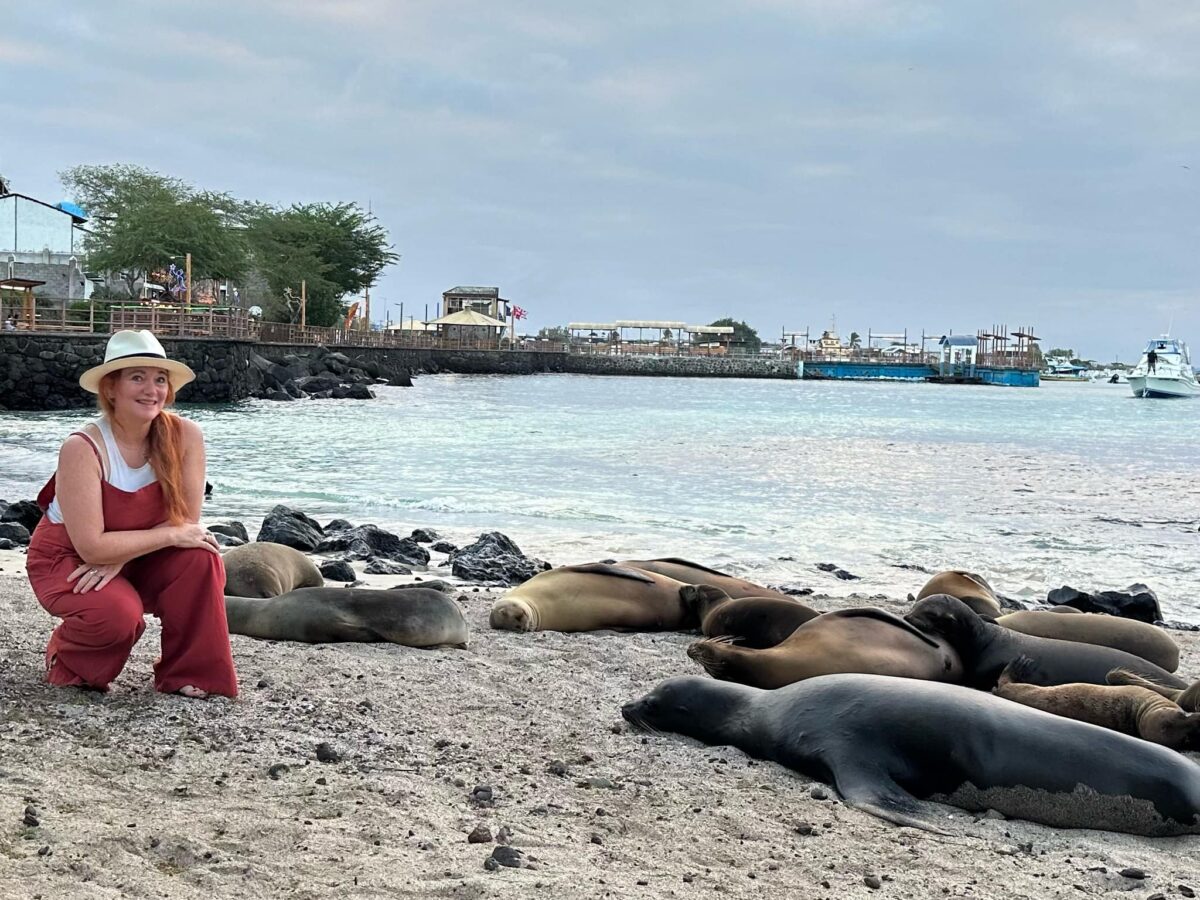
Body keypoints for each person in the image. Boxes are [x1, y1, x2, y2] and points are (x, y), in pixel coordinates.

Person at [25, 330, 238, 698]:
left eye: (159, 379)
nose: (151, 390)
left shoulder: (187, 435)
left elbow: (186, 522)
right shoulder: (82, 447)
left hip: (134, 553)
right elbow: (92, 547)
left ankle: (189, 673)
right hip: (69, 558)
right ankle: (68, 655)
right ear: (110, 388)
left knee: (202, 559)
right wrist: (132, 549)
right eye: (137, 377)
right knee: (117, 616)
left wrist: (124, 556)